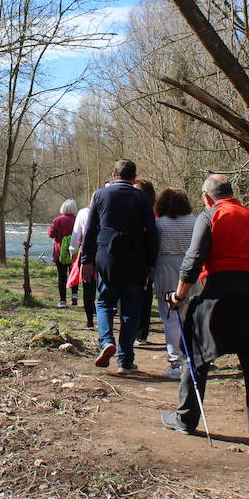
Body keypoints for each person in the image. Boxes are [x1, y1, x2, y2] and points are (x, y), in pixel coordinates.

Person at [163, 174, 249, 457]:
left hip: (219, 298)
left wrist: (179, 296)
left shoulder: (209, 216)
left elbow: (193, 261)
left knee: (196, 354)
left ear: (206, 197)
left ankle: (186, 418)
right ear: (231, 192)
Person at [81, 160, 158, 375]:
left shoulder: (100, 195)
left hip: (107, 256)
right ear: (134, 178)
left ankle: (106, 341)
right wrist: (152, 262)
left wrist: (86, 260)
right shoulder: (142, 197)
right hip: (136, 258)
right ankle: (125, 360)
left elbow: (90, 231)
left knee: (105, 302)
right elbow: (151, 232)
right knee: (131, 309)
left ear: (114, 174)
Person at [153, 188, 198, 380]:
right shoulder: (195, 221)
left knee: (170, 316)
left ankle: (175, 362)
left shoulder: (159, 224)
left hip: (165, 268)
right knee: (189, 314)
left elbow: (153, 249)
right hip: (189, 268)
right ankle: (191, 359)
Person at [67, 193, 98, 329]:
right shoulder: (109, 211)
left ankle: (90, 320)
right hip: (105, 253)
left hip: (88, 252)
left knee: (88, 286)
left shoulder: (83, 212)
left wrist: (72, 250)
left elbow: (76, 233)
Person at [133, 178, 158, 344]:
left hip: (147, 258)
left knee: (146, 294)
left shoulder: (154, 212)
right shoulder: (129, 209)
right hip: (130, 256)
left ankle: (141, 333)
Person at [48, 199, 78, 307]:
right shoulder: (77, 219)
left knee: (62, 276)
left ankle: (62, 301)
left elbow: (51, 234)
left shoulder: (57, 220)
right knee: (74, 273)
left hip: (60, 251)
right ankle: (74, 295)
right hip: (74, 250)